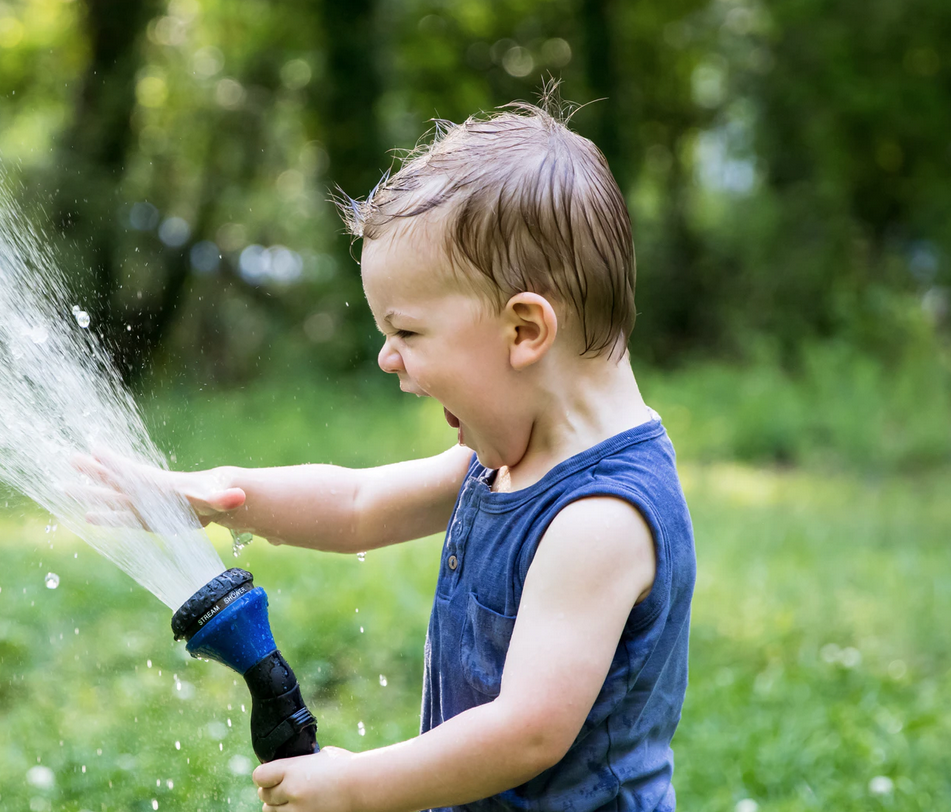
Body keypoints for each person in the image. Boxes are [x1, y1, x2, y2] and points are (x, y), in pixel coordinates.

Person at [75, 97, 695, 812]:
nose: (386, 357)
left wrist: (357, 787)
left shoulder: (600, 518)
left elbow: (528, 732)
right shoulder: (510, 461)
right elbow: (358, 505)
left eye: (407, 331)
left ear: (525, 330)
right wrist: (214, 494)